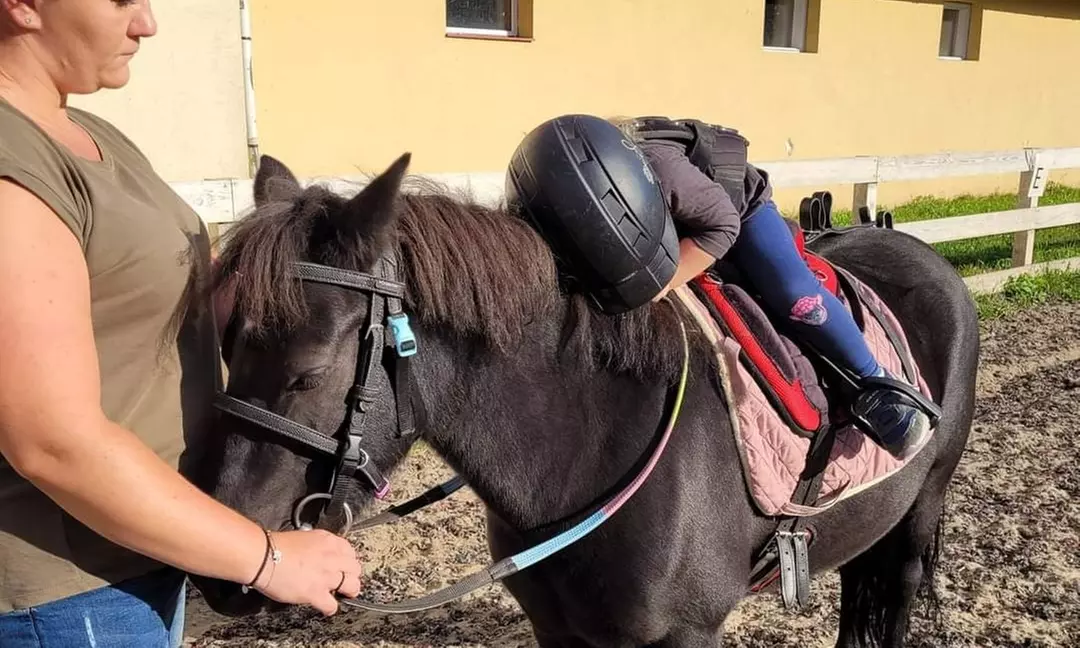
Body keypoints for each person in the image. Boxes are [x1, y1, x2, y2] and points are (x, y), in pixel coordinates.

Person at [0, 2, 362, 646]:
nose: (146, 25)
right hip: (64, 590)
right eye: (120, 2)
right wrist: (266, 558)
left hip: (140, 550)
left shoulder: (83, 130)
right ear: (22, 7)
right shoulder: (11, 161)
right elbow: (51, 441)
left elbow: (152, 293)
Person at [618, 115, 933, 460]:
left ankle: (879, 383)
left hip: (740, 209)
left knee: (795, 296)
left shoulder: (658, 167)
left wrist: (663, 282)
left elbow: (722, 226)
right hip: (682, 215)